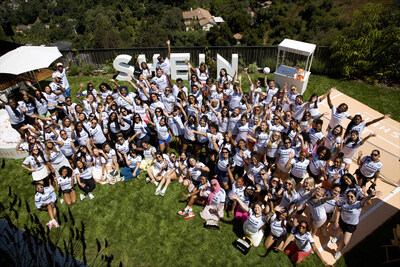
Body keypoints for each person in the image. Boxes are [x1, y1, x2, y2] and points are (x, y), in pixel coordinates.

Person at [332, 190, 380, 259]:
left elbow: (364, 200)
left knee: (345, 242)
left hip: (351, 226)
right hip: (342, 221)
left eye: (352, 196)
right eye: (348, 196)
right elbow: (338, 208)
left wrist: (370, 196)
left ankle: (338, 251)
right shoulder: (344, 202)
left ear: (356, 197)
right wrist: (337, 219)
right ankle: (337, 237)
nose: (350, 198)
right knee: (339, 230)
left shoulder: (358, 204)